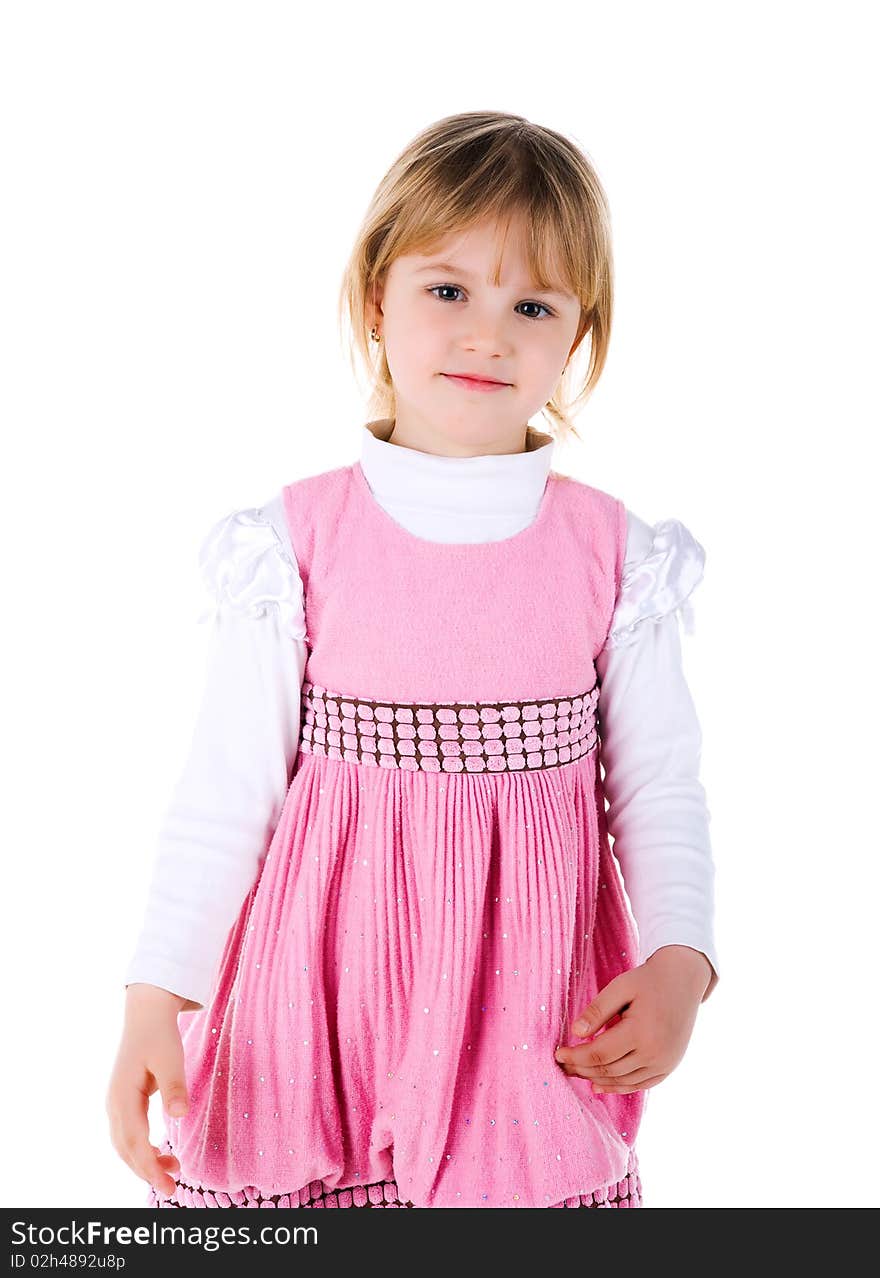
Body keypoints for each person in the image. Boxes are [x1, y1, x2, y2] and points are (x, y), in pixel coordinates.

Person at [106, 110, 719, 1210]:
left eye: (531, 305)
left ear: (575, 339)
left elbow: (660, 786)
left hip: (522, 1011)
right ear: (375, 300)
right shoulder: (291, 546)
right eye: (449, 290)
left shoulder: (614, 556)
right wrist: (158, 991)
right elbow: (224, 793)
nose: (488, 334)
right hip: (317, 1005)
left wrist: (682, 958)